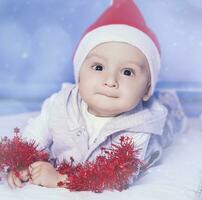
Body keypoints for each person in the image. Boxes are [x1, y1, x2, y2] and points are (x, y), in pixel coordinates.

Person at [7, 0, 185, 189]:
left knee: (169, 121)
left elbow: (117, 177)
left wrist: (60, 179)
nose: (110, 80)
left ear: (147, 89)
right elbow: (34, 135)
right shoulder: (60, 104)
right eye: (98, 67)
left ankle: (173, 107)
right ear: (79, 76)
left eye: (127, 72)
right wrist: (22, 162)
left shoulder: (141, 125)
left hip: (157, 131)